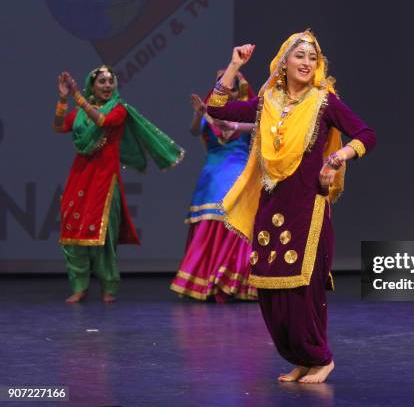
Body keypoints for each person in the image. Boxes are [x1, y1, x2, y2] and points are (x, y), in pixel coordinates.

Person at [206, 30, 376, 383]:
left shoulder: (323, 101)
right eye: (299, 55)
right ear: (284, 61)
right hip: (271, 204)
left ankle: (320, 358)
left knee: (302, 288)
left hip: (307, 206)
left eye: (312, 57)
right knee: (270, 287)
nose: (307, 63)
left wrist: (339, 156)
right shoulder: (268, 100)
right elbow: (216, 108)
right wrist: (235, 65)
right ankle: (299, 357)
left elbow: (366, 134)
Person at [53, 66, 184, 303]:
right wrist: (63, 98)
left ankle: (109, 286)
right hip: (79, 177)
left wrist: (77, 98)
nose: (107, 86)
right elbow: (59, 126)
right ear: (92, 85)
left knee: (105, 237)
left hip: (105, 179)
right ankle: (79, 286)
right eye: (102, 81)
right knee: (72, 233)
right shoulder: (80, 113)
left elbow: (103, 121)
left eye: (110, 82)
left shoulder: (119, 109)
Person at [170, 71, 257, 302]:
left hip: (237, 169)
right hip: (212, 170)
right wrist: (199, 114)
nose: (227, 86)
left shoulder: (246, 109)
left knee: (233, 219)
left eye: (232, 82)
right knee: (210, 220)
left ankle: (228, 279)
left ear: (240, 86)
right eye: (223, 82)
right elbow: (194, 131)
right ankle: (208, 279)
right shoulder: (210, 108)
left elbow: (237, 134)